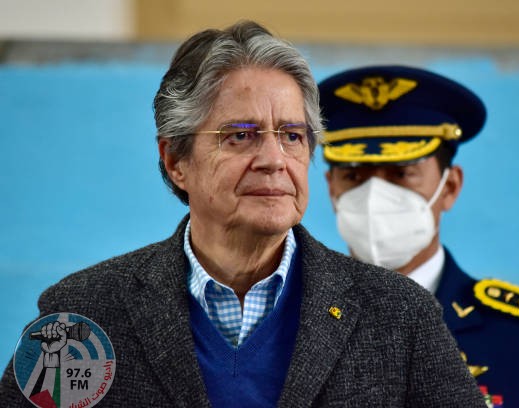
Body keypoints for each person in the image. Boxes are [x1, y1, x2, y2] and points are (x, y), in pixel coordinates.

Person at [0, 23, 487, 407]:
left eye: (292, 136)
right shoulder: (85, 314)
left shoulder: (399, 317)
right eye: (241, 135)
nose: (274, 159)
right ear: (175, 161)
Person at [319, 65, 519, 408]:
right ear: (332, 190)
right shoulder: (293, 324)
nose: (374, 195)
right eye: (354, 175)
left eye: (402, 174)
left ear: (449, 187)